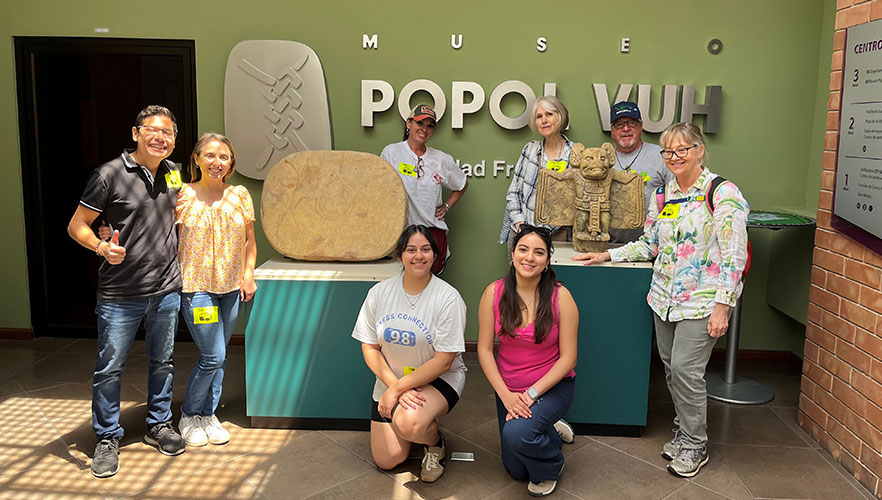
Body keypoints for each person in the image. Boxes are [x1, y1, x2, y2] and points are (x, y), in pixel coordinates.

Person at [573, 122, 749, 478]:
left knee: (687, 371)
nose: (674, 157)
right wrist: (609, 255)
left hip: (702, 303)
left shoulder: (722, 192)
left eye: (683, 149)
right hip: (664, 300)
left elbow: (735, 255)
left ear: (700, 150)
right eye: (668, 151)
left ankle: (695, 443)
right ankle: (684, 433)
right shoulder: (667, 193)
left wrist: (723, 306)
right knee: (672, 371)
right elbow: (650, 244)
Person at [67, 105, 186, 478]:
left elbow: (178, 218)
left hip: (166, 288)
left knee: (162, 361)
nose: (160, 138)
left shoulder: (174, 173)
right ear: (135, 133)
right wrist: (102, 247)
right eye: (152, 130)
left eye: (168, 132)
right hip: (120, 293)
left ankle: (159, 423)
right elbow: (77, 225)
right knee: (110, 368)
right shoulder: (108, 174)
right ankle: (106, 436)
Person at [351, 225, 467, 483]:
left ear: (435, 255)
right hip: (392, 380)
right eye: (411, 250)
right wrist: (394, 387)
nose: (419, 256)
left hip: (438, 379)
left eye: (426, 249)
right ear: (400, 255)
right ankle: (415, 428)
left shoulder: (448, 298)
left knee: (409, 422)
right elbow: (369, 347)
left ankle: (434, 442)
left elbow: (444, 360)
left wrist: (397, 390)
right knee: (387, 459)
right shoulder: (379, 293)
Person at [478, 225, 579, 497]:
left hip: (551, 388)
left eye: (538, 252)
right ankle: (547, 428)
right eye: (523, 249)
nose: (529, 257)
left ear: (547, 261)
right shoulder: (493, 293)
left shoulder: (562, 297)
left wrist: (531, 395)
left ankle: (552, 464)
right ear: (512, 254)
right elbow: (485, 351)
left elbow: (569, 359)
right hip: (509, 391)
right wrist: (507, 396)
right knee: (516, 470)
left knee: (517, 435)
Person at [173, 133, 257, 447]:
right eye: (209, 155)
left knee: (218, 359)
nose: (216, 162)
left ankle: (208, 416)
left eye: (223, 157)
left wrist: (247, 275)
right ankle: (189, 413)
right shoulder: (182, 194)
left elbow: (250, 241)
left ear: (231, 163)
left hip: (232, 288)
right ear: (196, 159)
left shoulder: (240, 194)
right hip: (197, 289)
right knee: (213, 355)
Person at [381, 105, 468, 275]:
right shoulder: (392, 153)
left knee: (428, 292)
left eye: (430, 126)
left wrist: (447, 206)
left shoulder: (441, 159)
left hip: (432, 234)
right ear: (408, 123)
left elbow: (461, 185)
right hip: (401, 234)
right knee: (401, 289)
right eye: (420, 123)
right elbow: (382, 190)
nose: (424, 129)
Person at [499, 96, 574, 247]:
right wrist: (520, 223)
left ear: (560, 117)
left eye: (549, 114)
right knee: (518, 271)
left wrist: (542, 231)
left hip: (554, 236)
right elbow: (513, 192)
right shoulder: (530, 149)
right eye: (539, 116)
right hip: (521, 231)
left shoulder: (575, 154)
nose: (544, 120)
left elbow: (572, 202)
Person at [607, 101, 674, 243]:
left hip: (651, 244)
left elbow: (675, 198)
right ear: (612, 131)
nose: (626, 129)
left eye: (632, 123)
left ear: (641, 127)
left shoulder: (661, 156)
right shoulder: (602, 161)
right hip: (610, 244)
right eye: (619, 125)